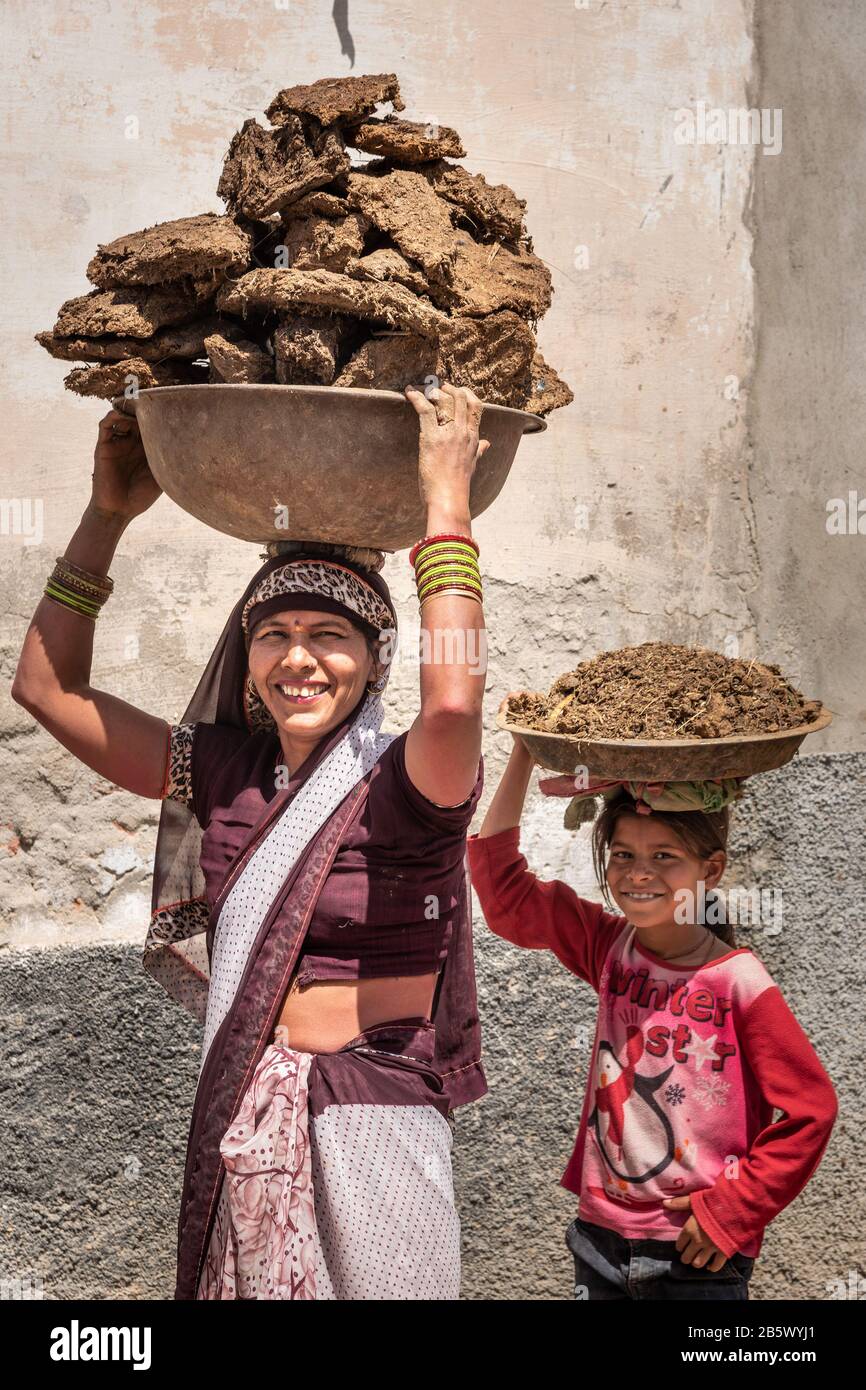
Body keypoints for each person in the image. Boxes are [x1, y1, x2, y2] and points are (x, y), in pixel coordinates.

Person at [12, 380, 490, 1301]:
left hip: (371, 1117)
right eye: (273, 633)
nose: (298, 658)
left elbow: (458, 695)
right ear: (247, 654)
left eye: (329, 635)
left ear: (376, 657)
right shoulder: (223, 770)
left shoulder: (412, 779)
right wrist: (105, 514)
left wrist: (447, 502)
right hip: (249, 1113)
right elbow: (46, 688)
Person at [467, 735, 838, 1300]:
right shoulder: (608, 946)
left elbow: (812, 1110)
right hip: (600, 1238)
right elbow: (504, 891)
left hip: (697, 1249)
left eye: (664, 856)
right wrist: (522, 754)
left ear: (709, 870)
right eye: (623, 855)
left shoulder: (740, 983)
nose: (639, 874)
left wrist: (733, 1211)